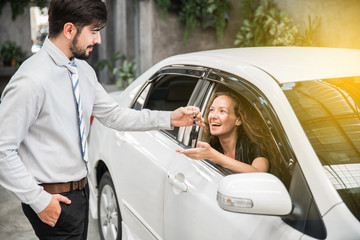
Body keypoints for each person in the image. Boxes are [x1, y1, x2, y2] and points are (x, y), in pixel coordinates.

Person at [0, 0, 203, 239]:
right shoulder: (31, 80)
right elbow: (3, 149)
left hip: (82, 191)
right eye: (94, 31)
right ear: (69, 30)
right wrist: (39, 201)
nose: (98, 40)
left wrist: (170, 118)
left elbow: (115, 115)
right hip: (52, 198)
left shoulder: (83, 71)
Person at [177, 91, 278, 174]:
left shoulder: (253, 144)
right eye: (212, 110)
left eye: (222, 111)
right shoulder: (211, 146)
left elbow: (259, 173)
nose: (213, 116)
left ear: (238, 120)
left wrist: (214, 156)